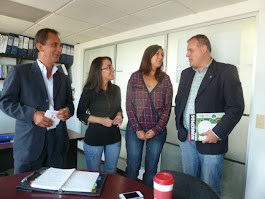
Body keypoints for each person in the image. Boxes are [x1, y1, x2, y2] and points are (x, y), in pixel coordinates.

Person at [175, 34, 244, 195]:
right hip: (187, 139)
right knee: (188, 185)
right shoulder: (186, 74)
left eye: (190, 50)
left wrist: (217, 133)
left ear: (204, 48)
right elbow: (179, 102)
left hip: (211, 141)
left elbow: (236, 107)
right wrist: (179, 125)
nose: (187, 54)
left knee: (210, 189)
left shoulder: (226, 71)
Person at [0, 28, 74, 174]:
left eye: (60, 46)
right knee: (25, 191)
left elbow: (69, 102)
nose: (59, 49)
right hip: (29, 143)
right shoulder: (19, 72)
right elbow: (5, 102)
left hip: (57, 143)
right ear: (40, 47)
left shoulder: (63, 77)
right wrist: (32, 114)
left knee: (54, 188)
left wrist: (68, 111)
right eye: (55, 45)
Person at [125, 45, 173, 188]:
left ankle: (147, 195)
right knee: (132, 167)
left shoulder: (165, 79)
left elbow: (167, 108)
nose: (160, 57)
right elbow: (129, 105)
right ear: (148, 56)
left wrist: (156, 130)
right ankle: (129, 194)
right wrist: (137, 128)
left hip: (157, 132)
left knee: (151, 170)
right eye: (156, 54)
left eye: (162, 55)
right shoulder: (135, 77)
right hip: (135, 130)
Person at [77, 57, 123, 174]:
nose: (113, 69)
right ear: (98, 71)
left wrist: (119, 114)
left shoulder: (116, 89)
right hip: (94, 138)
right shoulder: (89, 91)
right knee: (93, 174)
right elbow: (80, 114)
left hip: (114, 138)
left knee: (111, 172)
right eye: (108, 67)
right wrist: (100, 120)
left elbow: (118, 107)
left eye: (112, 66)